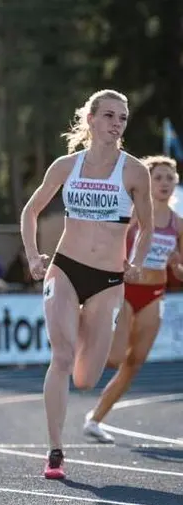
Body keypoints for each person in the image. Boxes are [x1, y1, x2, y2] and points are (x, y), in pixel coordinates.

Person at [19, 89, 153, 480]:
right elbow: (31, 210)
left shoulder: (133, 171)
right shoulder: (66, 166)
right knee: (61, 358)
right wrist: (32, 255)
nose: (116, 123)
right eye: (109, 115)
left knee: (85, 378)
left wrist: (138, 263)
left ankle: (79, 324)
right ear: (90, 119)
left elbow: (146, 227)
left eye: (123, 118)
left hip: (109, 279)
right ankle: (55, 450)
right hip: (65, 269)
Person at [83, 155, 183, 442]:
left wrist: (177, 267)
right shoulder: (133, 215)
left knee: (135, 363)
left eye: (169, 178)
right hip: (126, 291)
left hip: (154, 294)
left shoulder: (178, 224)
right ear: (147, 183)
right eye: (158, 177)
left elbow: (180, 268)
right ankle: (86, 329)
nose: (164, 183)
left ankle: (95, 419)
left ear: (176, 183)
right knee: (114, 359)